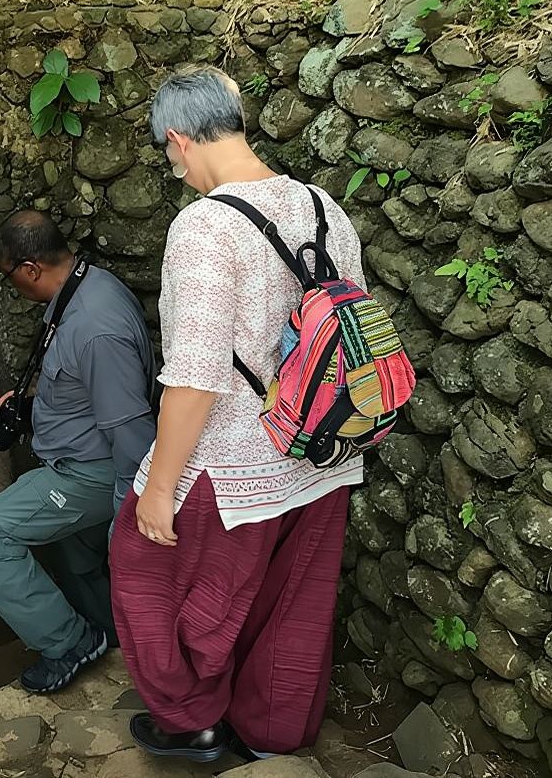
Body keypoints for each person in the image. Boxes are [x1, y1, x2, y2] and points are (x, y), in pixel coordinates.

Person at [110, 65, 367, 761]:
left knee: (141, 568)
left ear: (178, 139)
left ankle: (190, 720)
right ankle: (271, 736)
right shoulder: (324, 207)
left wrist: (158, 487)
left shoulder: (203, 226)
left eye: (170, 158)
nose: (176, 171)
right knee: (291, 606)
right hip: (324, 453)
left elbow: (195, 376)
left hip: (233, 464)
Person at [0, 210, 157, 694]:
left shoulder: (95, 328)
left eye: (9, 278)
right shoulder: (88, 286)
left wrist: (131, 517)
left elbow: (131, 432)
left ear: (29, 269)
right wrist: (33, 402)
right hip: (80, 457)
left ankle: (68, 642)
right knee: (75, 553)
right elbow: (83, 383)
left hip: (88, 473)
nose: (14, 288)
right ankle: (114, 635)